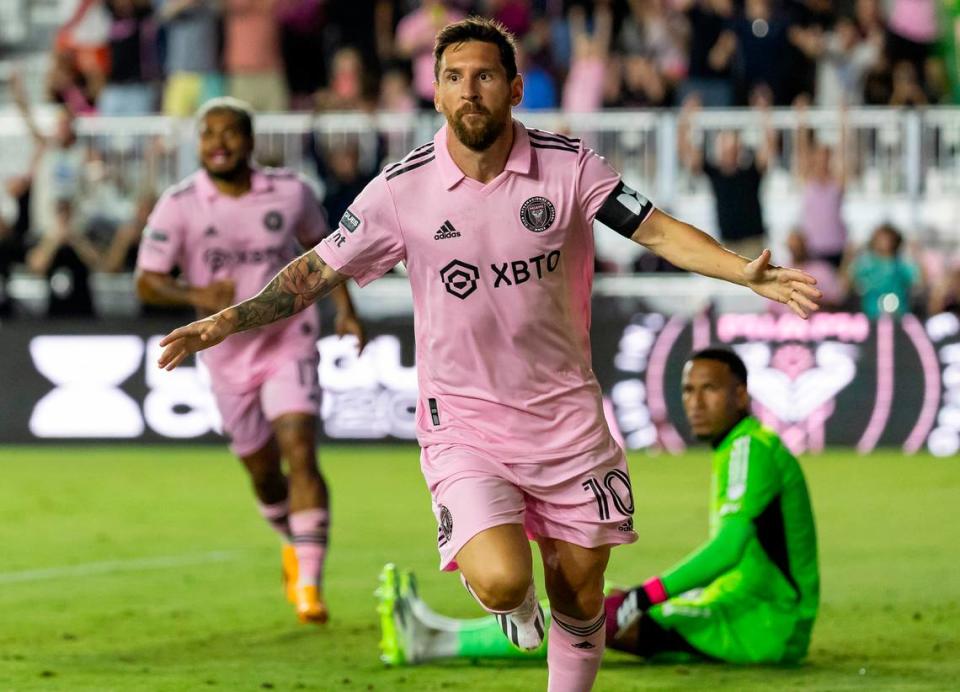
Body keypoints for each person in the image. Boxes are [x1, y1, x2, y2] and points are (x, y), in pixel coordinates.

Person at [155, 20, 820, 690]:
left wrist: (744, 273)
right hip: (465, 424)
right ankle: (514, 606)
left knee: (583, 600)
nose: (468, 90)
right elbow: (314, 272)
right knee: (503, 583)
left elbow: (658, 231)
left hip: (567, 422)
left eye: (484, 75)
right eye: (453, 77)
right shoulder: (399, 190)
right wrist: (224, 323)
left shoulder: (569, 166)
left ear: (514, 88)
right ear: (437, 96)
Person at [377, 349, 820, 667]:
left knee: (599, 609)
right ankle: (433, 637)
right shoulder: (744, 446)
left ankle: (433, 640)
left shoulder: (750, 448)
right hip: (750, 609)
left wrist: (645, 597)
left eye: (711, 390)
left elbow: (729, 548)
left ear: (741, 396)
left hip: (764, 623)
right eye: (688, 390)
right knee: (597, 604)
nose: (695, 402)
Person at [135, 97, 365, 624]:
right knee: (263, 472)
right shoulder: (179, 204)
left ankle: (310, 584)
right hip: (223, 354)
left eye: (230, 132)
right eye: (208, 133)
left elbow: (326, 254)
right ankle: (293, 541)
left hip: (288, 339)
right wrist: (195, 292)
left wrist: (346, 313)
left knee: (300, 448)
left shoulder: (291, 192)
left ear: (250, 139)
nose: (218, 142)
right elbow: (146, 280)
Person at [678, 93, 775, 260]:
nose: (728, 151)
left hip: (753, 244)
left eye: (732, 146)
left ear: (739, 149)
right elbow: (684, 151)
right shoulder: (715, 173)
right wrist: (687, 117)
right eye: (725, 146)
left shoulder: (750, 172)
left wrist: (764, 115)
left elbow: (769, 147)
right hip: (728, 246)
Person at [847, 223, 922, 317]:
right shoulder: (864, 264)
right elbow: (848, 285)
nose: (883, 242)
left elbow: (918, 282)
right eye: (880, 238)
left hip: (899, 315)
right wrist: (848, 258)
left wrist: (918, 255)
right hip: (871, 316)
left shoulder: (902, 264)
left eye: (887, 238)